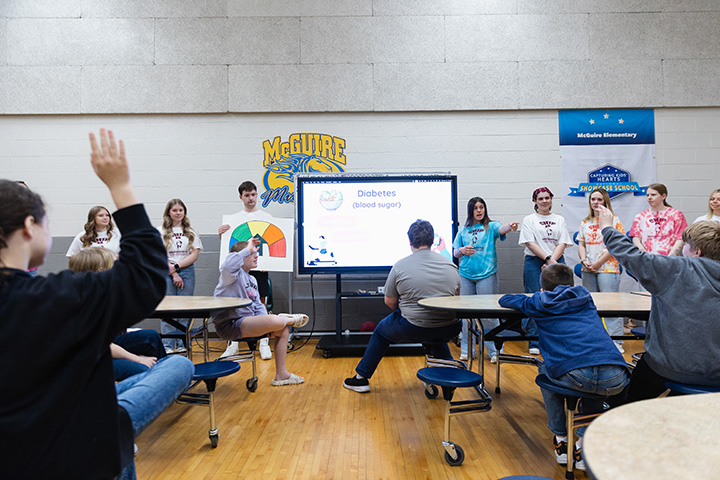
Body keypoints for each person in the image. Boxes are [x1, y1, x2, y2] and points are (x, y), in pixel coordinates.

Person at [0, 129, 188, 479]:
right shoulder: (61, 298)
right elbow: (146, 275)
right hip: (79, 453)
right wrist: (121, 186)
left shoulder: (61, 296)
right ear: (29, 227)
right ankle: (115, 420)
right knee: (177, 369)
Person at [499, 264, 630, 471]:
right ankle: (582, 445)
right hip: (617, 374)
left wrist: (537, 295)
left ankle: (561, 439)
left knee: (545, 371)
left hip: (577, 373)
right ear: (572, 283)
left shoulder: (539, 302)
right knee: (595, 386)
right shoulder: (585, 298)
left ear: (543, 288)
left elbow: (505, 300)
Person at [598, 205, 720, 402]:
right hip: (716, 373)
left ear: (696, 251)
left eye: (685, 246)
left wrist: (607, 228)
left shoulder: (679, 268)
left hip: (672, 367)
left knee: (625, 401)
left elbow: (632, 255)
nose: (681, 250)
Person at [343, 219, 461, 393]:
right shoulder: (450, 265)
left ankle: (361, 379)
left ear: (410, 242)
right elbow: (456, 299)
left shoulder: (400, 266)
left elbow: (389, 301)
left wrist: (408, 311)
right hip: (450, 326)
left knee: (382, 331)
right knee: (436, 335)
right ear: (432, 240)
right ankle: (448, 381)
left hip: (413, 326)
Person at [211, 238, 308, 386]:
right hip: (230, 325)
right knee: (276, 321)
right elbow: (228, 264)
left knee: (282, 329)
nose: (256, 256)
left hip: (248, 322)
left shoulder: (252, 280)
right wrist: (247, 249)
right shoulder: (229, 276)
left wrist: (265, 324)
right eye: (252, 254)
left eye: (256, 253)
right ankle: (287, 319)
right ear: (241, 257)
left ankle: (282, 375)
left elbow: (258, 306)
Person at [69, 247, 167, 381]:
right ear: (101, 270)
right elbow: (102, 345)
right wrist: (138, 359)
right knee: (142, 369)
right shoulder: (82, 302)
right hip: (89, 359)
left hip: (105, 346)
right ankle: (154, 385)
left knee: (151, 337)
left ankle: (164, 379)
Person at [452, 196, 518, 363]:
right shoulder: (464, 229)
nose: (479, 210)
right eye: (475, 208)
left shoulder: (491, 226)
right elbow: (455, 253)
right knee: (467, 315)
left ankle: (495, 351)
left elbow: (501, 229)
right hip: (466, 275)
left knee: (488, 314)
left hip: (486, 275)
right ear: (470, 211)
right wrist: (461, 250)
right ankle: (467, 351)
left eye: (481, 207)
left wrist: (509, 227)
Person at [218, 180, 273, 360]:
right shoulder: (233, 220)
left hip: (260, 268)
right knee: (233, 302)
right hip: (238, 268)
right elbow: (230, 248)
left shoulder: (266, 217)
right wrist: (222, 235)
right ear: (241, 197)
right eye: (247, 195)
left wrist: (269, 263)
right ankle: (232, 344)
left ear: (257, 195)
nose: (251, 198)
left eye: (253, 194)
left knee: (260, 300)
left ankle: (263, 342)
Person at [518, 187, 573, 354]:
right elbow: (530, 242)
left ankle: (557, 339)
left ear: (551, 199)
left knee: (559, 298)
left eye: (547, 198)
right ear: (535, 201)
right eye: (540, 198)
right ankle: (534, 340)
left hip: (556, 259)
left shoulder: (559, 219)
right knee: (535, 298)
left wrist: (553, 263)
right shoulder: (529, 219)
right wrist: (548, 260)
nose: (544, 201)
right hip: (535, 261)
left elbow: (562, 242)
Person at [577, 188, 626, 352]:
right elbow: (581, 244)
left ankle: (616, 341)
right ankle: (594, 339)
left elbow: (614, 246)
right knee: (591, 305)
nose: (595, 203)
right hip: (588, 268)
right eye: (593, 199)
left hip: (608, 268)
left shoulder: (614, 220)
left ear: (605, 201)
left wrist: (598, 263)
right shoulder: (585, 222)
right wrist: (584, 260)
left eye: (599, 199)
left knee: (611, 305)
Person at [159, 198, 203, 353]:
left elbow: (194, 254)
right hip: (166, 271)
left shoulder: (191, 231)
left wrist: (177, 267)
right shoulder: (160, 231)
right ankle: (168, 346)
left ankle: (183, 344)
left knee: (185, 308)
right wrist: (172, 272)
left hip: (187, 271)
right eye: (175, 210)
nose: (178, 213)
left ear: (184, 212)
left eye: (181, 210)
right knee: (168, 309)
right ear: (169, 212)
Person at [628, 183, 687, 256]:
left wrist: (671, 256)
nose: (649, 197)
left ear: (663, 196)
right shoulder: (640, 216)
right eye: (647, 195)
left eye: (653, 195)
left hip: (670, 259)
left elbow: (680, 238)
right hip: (648, 259)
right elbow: (636, 238)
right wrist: (644, 254)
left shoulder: (676, 214)